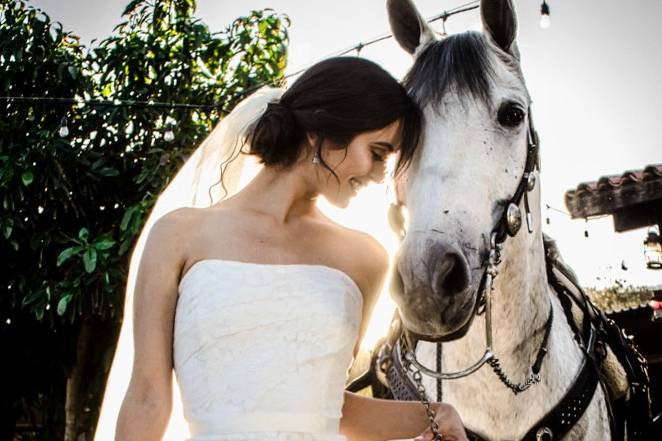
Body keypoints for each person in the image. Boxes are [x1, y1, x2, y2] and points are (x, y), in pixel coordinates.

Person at [101, 56, 468, 441]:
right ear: (322, 129)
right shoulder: (177, 235)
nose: (378, 176)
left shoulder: (366, 259)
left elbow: (325, 404)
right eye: (376, 153)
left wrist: (435, 416)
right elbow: (147, 397)